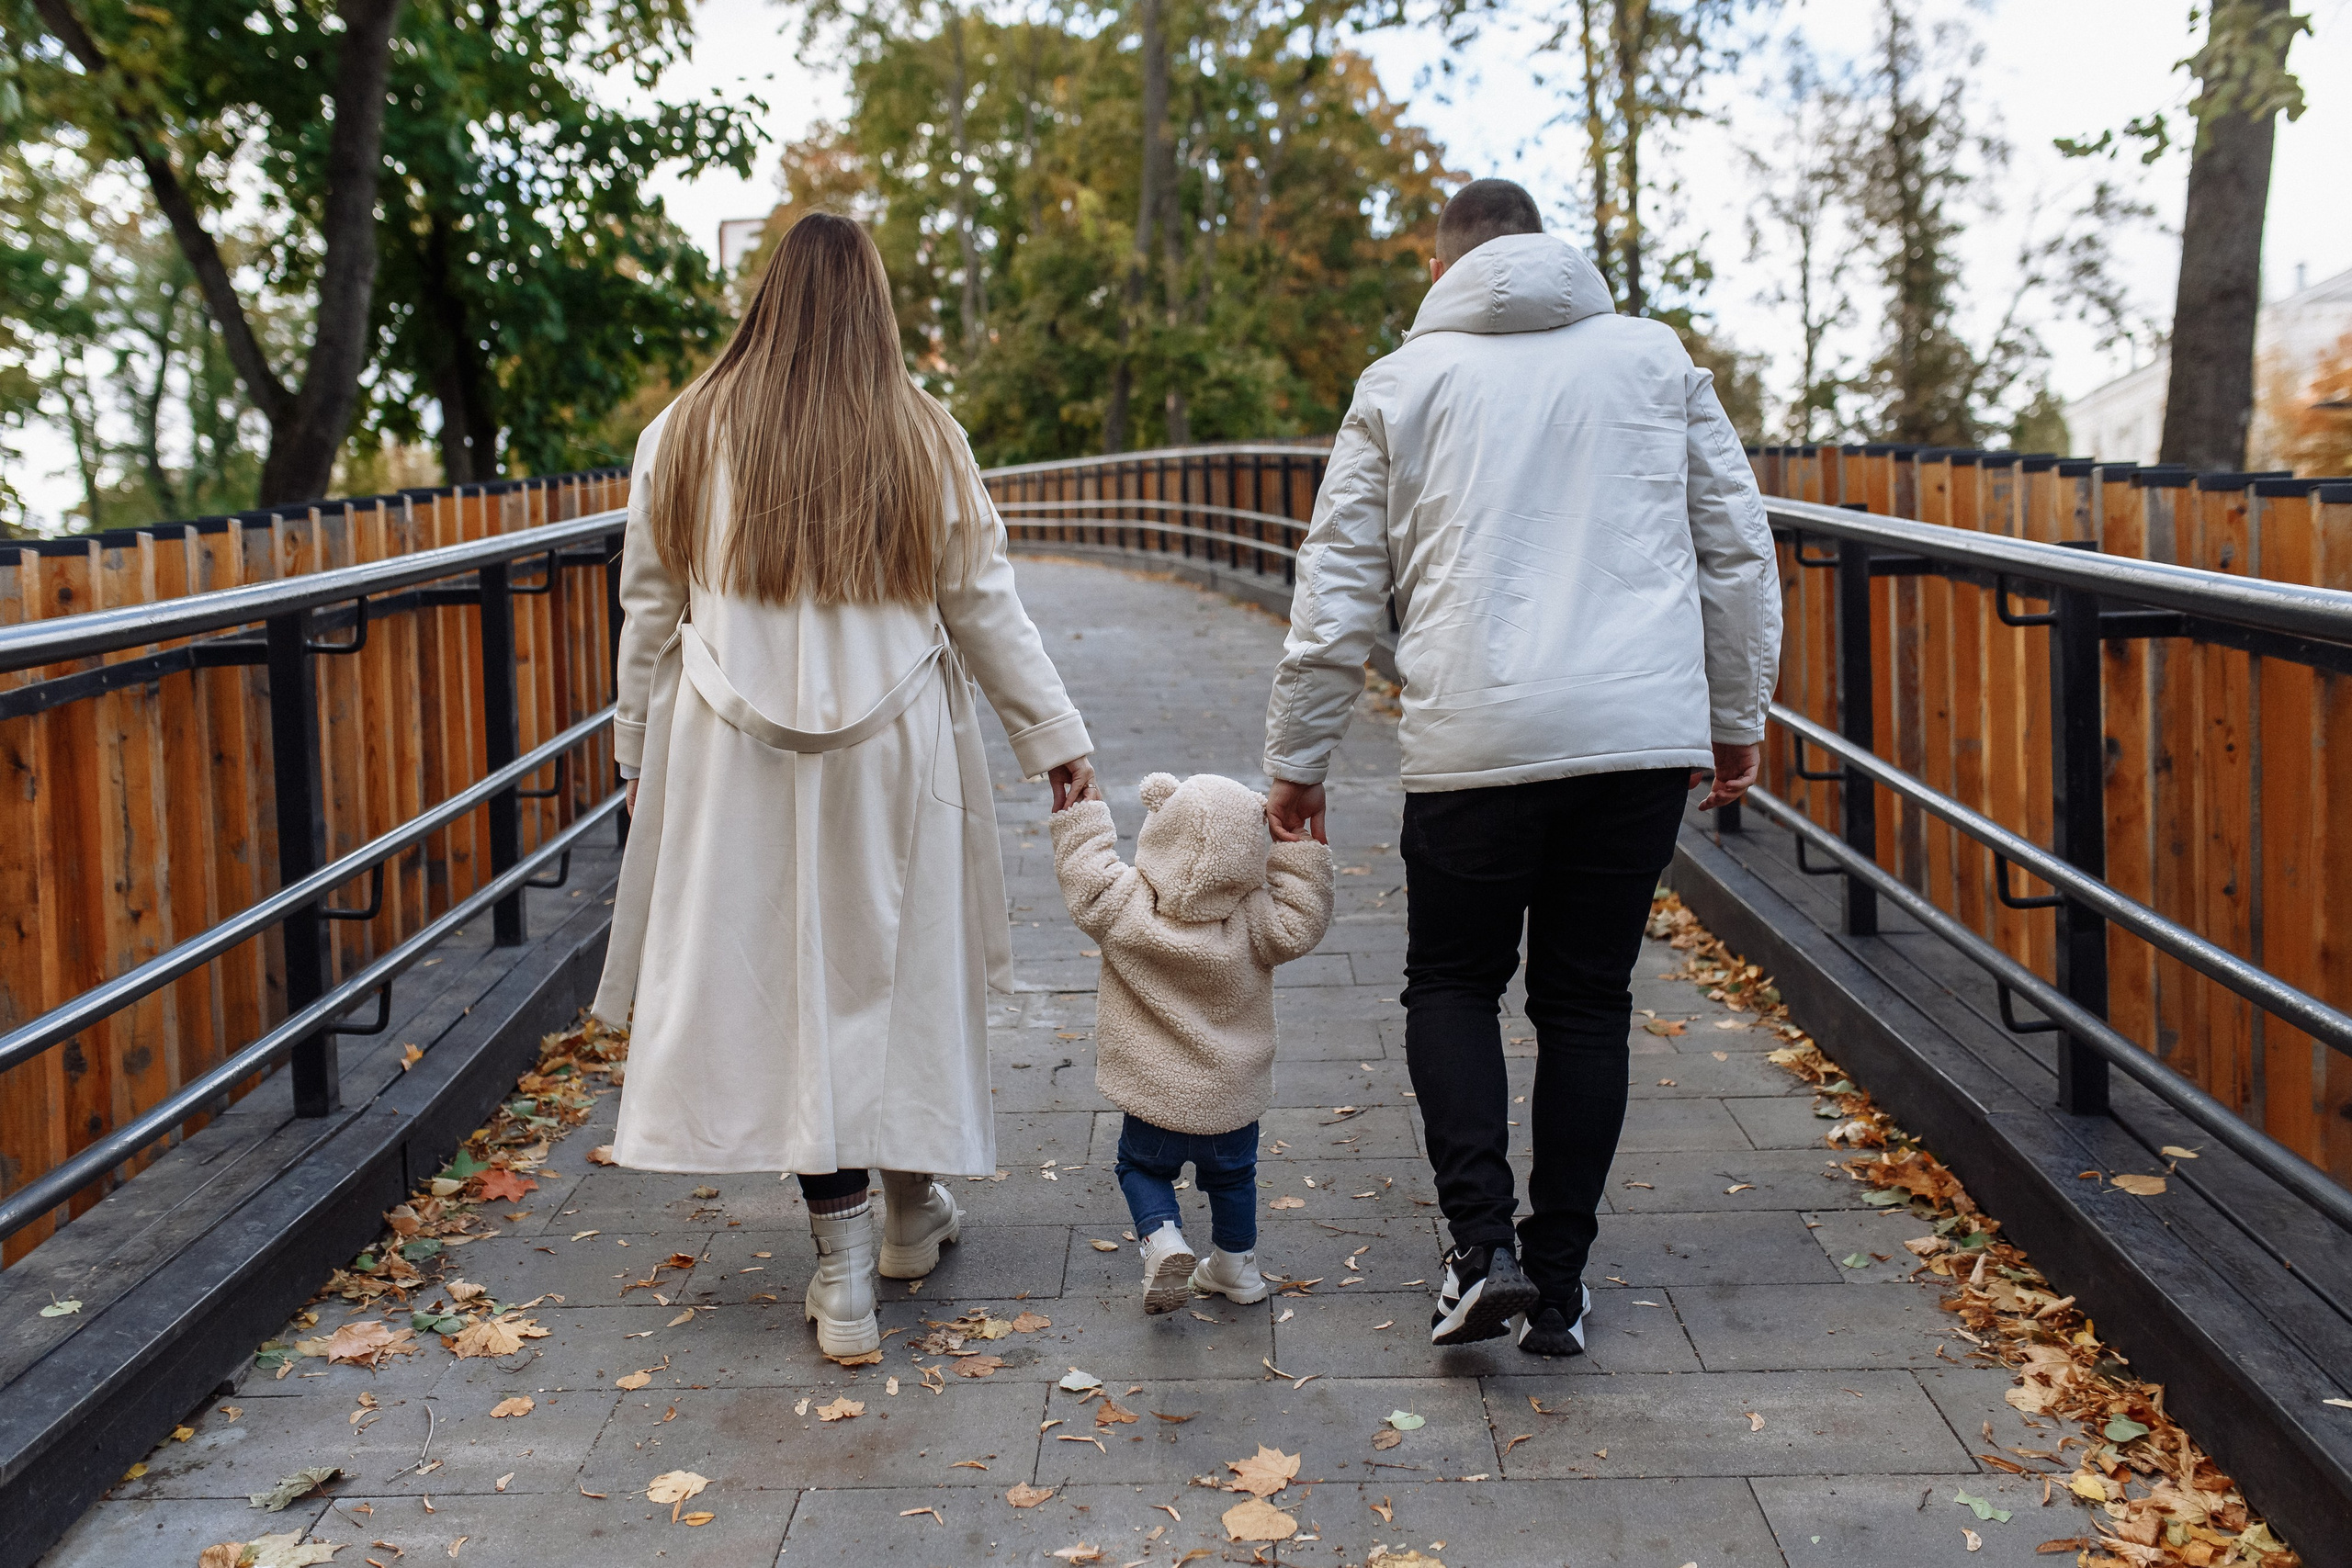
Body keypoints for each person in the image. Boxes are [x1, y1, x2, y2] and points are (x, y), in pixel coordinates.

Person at [1261, 178, 1781, 1355]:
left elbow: (1336, 584)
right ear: (1551, 250)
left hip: (1472, 742)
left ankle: (1477, 1249)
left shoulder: (1400, 382)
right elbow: (1736, 552)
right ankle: (1558, 1283)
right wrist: (1734, 713)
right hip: (1635, 738)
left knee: (1452, 984)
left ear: (1438, 270)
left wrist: (1298, 756)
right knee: (1586, 1001)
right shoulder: (1653, 359)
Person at [590, 213, 1097, 1359]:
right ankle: (908, 1215)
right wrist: (1052, 737)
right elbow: (983, 602)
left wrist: (635, 751)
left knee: (790, 990)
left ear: (766, 298)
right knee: (894, 972)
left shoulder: (683, 432)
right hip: (891, 747)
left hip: (733, 754)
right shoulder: (922, 433)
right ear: (874, 306)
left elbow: (648, 611)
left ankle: (850, 1267)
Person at [1051, 772, 1334, 1314]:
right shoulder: (1257, 919)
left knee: (1140, 1168)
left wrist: (1081, 815)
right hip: (1230, 1095)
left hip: (1154, 1093)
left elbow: (1085, 876)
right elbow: (1303, 920)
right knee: (1234, 1178)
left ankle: (1163, 1239)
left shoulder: (1124, 904)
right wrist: (1299, 850)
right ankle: (1236, 1266)